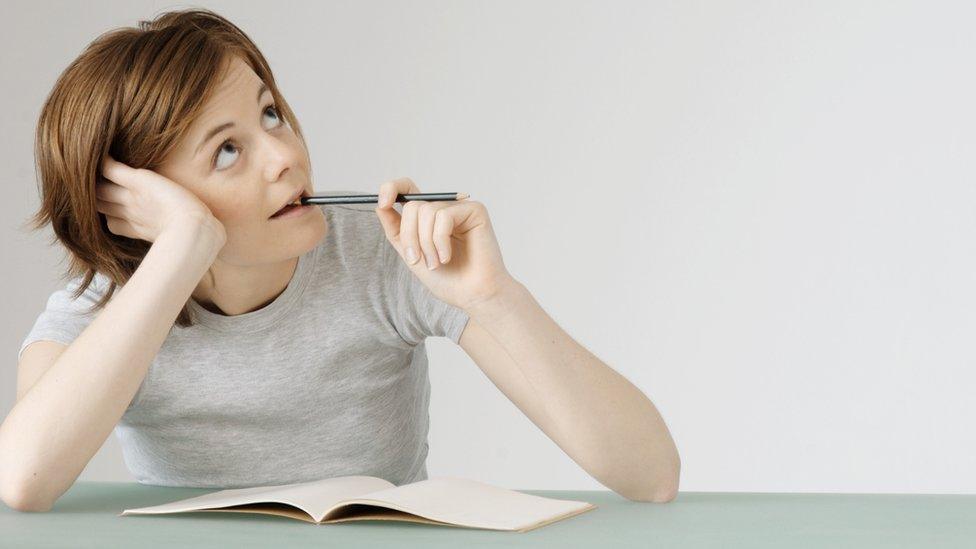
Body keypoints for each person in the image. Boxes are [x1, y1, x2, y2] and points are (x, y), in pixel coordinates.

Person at [0, 8, 680, 512]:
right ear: (141, 202)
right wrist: (179, 250)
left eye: (269, 114)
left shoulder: (388, 259)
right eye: (227, 150)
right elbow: (23, 480)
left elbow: (650, 473)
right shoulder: (107, 309)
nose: (285, 155)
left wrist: (493, 295)